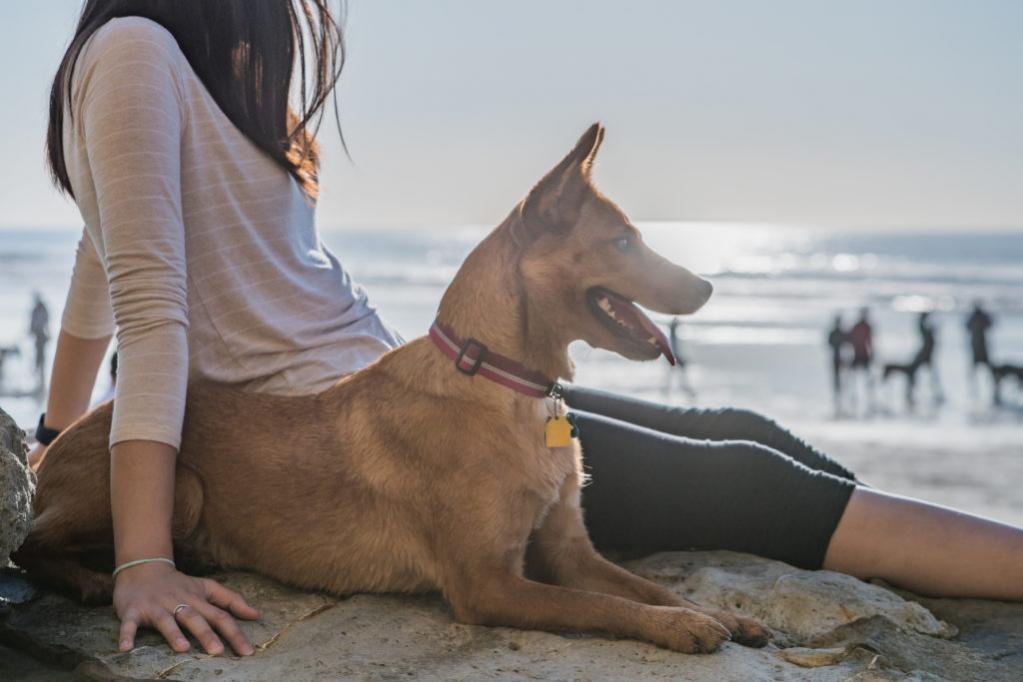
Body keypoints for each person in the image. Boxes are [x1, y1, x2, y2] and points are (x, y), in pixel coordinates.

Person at [29, 1, 1023, 658]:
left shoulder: (191, 64)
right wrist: (143, 561)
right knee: (752, 482)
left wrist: (54, 431)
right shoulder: (135, 50)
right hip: (345, 435)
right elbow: (148, 304)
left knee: (742, 427)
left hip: (430, 385)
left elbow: (98, 258)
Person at [847, 307, 875, 415]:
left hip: (863, 355)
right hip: (858, 355)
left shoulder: (866, 326)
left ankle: (868, 401)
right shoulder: (861, 326)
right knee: (853, 380)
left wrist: (872, 354)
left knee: (867, 380)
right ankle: (854, 400)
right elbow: (852, 341)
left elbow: (870, 341)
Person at [912, 312, 943, 406]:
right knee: (916, 375)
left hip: (927, 356)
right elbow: (921, 328)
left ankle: (936, 394)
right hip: (924, 356)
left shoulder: (929, 335)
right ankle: (912, 395)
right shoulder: (927, 334)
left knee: (931, 377)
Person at [966, 301, 994, 394]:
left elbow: (967, 327)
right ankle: (974, 388)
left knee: (985, 369)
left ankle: (987, 388)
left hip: (980, 346)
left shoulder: (975, 317)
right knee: (980, 369)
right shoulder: (978, 317)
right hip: (978, 346)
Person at [666, 317, 697, 401]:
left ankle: (667, 394)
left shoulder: (674, 337)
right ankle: (689, 393)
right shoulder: (674, 337)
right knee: (679, 378)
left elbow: (675, 348)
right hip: (676, 357)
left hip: (675, 358)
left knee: (678, 378)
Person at [825, 314, 848, 415]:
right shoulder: (835, 332)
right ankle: (837, 405)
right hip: (836, 359)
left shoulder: (840, 333)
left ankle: (842, 405)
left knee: (843, 382)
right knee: (837, 382)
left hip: (842, 358)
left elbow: (848, 343)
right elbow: (830, 343)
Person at [29, 292, 51, 389]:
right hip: (39, 336)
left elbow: (45, 322)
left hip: (41, 336)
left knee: (40, 357)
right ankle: (39, 379)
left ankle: (40, 379)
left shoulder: (41, 309)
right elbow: (33, 323)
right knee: (39, 357)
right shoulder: (37, 309)